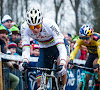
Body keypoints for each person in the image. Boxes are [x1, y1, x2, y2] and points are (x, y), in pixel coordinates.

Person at [20, 7, 70, 89]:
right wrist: (25, 61)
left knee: (61, 65)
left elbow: (61, 47)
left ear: (42, 22)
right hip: (44, 49)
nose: (35, 29)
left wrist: (63, 63)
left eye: (37, 25)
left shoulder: (50, 24)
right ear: (28, 25)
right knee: (40, 83)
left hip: (58, 46)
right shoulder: (24, 28)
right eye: (32, 27)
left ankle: (62, 87)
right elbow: (26, 47)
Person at [69, 24, 100, 89]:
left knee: (96, 63)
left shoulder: (97, 39)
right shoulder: (80, 40)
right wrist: (71, 60)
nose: (85, 40)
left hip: (98, 55)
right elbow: (74, 51)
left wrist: (98, 65)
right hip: (91, 55)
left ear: (91, 36)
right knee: (86, 76)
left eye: (86, 38)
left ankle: (98, 83)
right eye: (83, 38)